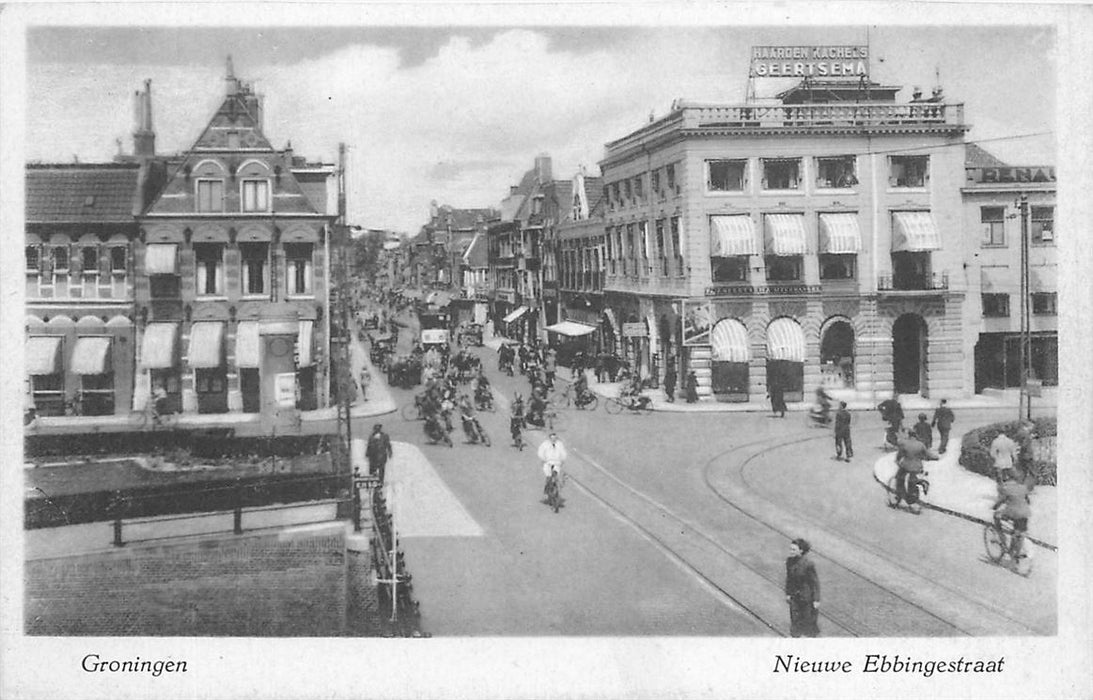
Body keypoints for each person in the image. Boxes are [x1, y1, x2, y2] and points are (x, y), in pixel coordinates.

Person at [992, 467, 1032, 564]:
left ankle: (1002, 537)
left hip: (1012, 512)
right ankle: (1016, 553)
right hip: (1025, 513)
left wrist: (995, 506)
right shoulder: (1023, 488)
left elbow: (1001, 501)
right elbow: (1028, 500)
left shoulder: (1006, 488)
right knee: (1019, 531)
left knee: (996, 516)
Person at [894, 429, 940, 513]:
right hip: (917, 467)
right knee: (913, 480)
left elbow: (899, 455)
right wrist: (935, 457)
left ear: (909, 435)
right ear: (916, 435)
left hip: (906, 466)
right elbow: (928, 455)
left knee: (899, 479)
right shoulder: (920, 444)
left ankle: (900, 495)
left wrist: (897, 461)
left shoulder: (904, 444)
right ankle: (919, 486)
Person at [784, 538, 820, 638]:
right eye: (790, 549)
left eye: (793, 550)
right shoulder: (789, 561)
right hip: (794, 597)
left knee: (808, 623)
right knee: (795, 622)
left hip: (807, 598)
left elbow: (814, 583)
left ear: (801, 551)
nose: (791, 552)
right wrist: (788, 593)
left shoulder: (808, 564)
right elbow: (789, 579)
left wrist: (816, 600)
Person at [537, 432, 568, 501]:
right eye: (552, 438)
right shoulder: (545, 444)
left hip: (557, 463)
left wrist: (563, 459)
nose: (553, 440)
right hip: (548, 463)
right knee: (548, 476)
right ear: (549, 438)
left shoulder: (559, 444)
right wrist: (543, 459)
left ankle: (556, 489)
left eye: (555, 438)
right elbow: (540, 452)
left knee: (556, 475)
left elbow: (563, 452)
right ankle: (547, 490)